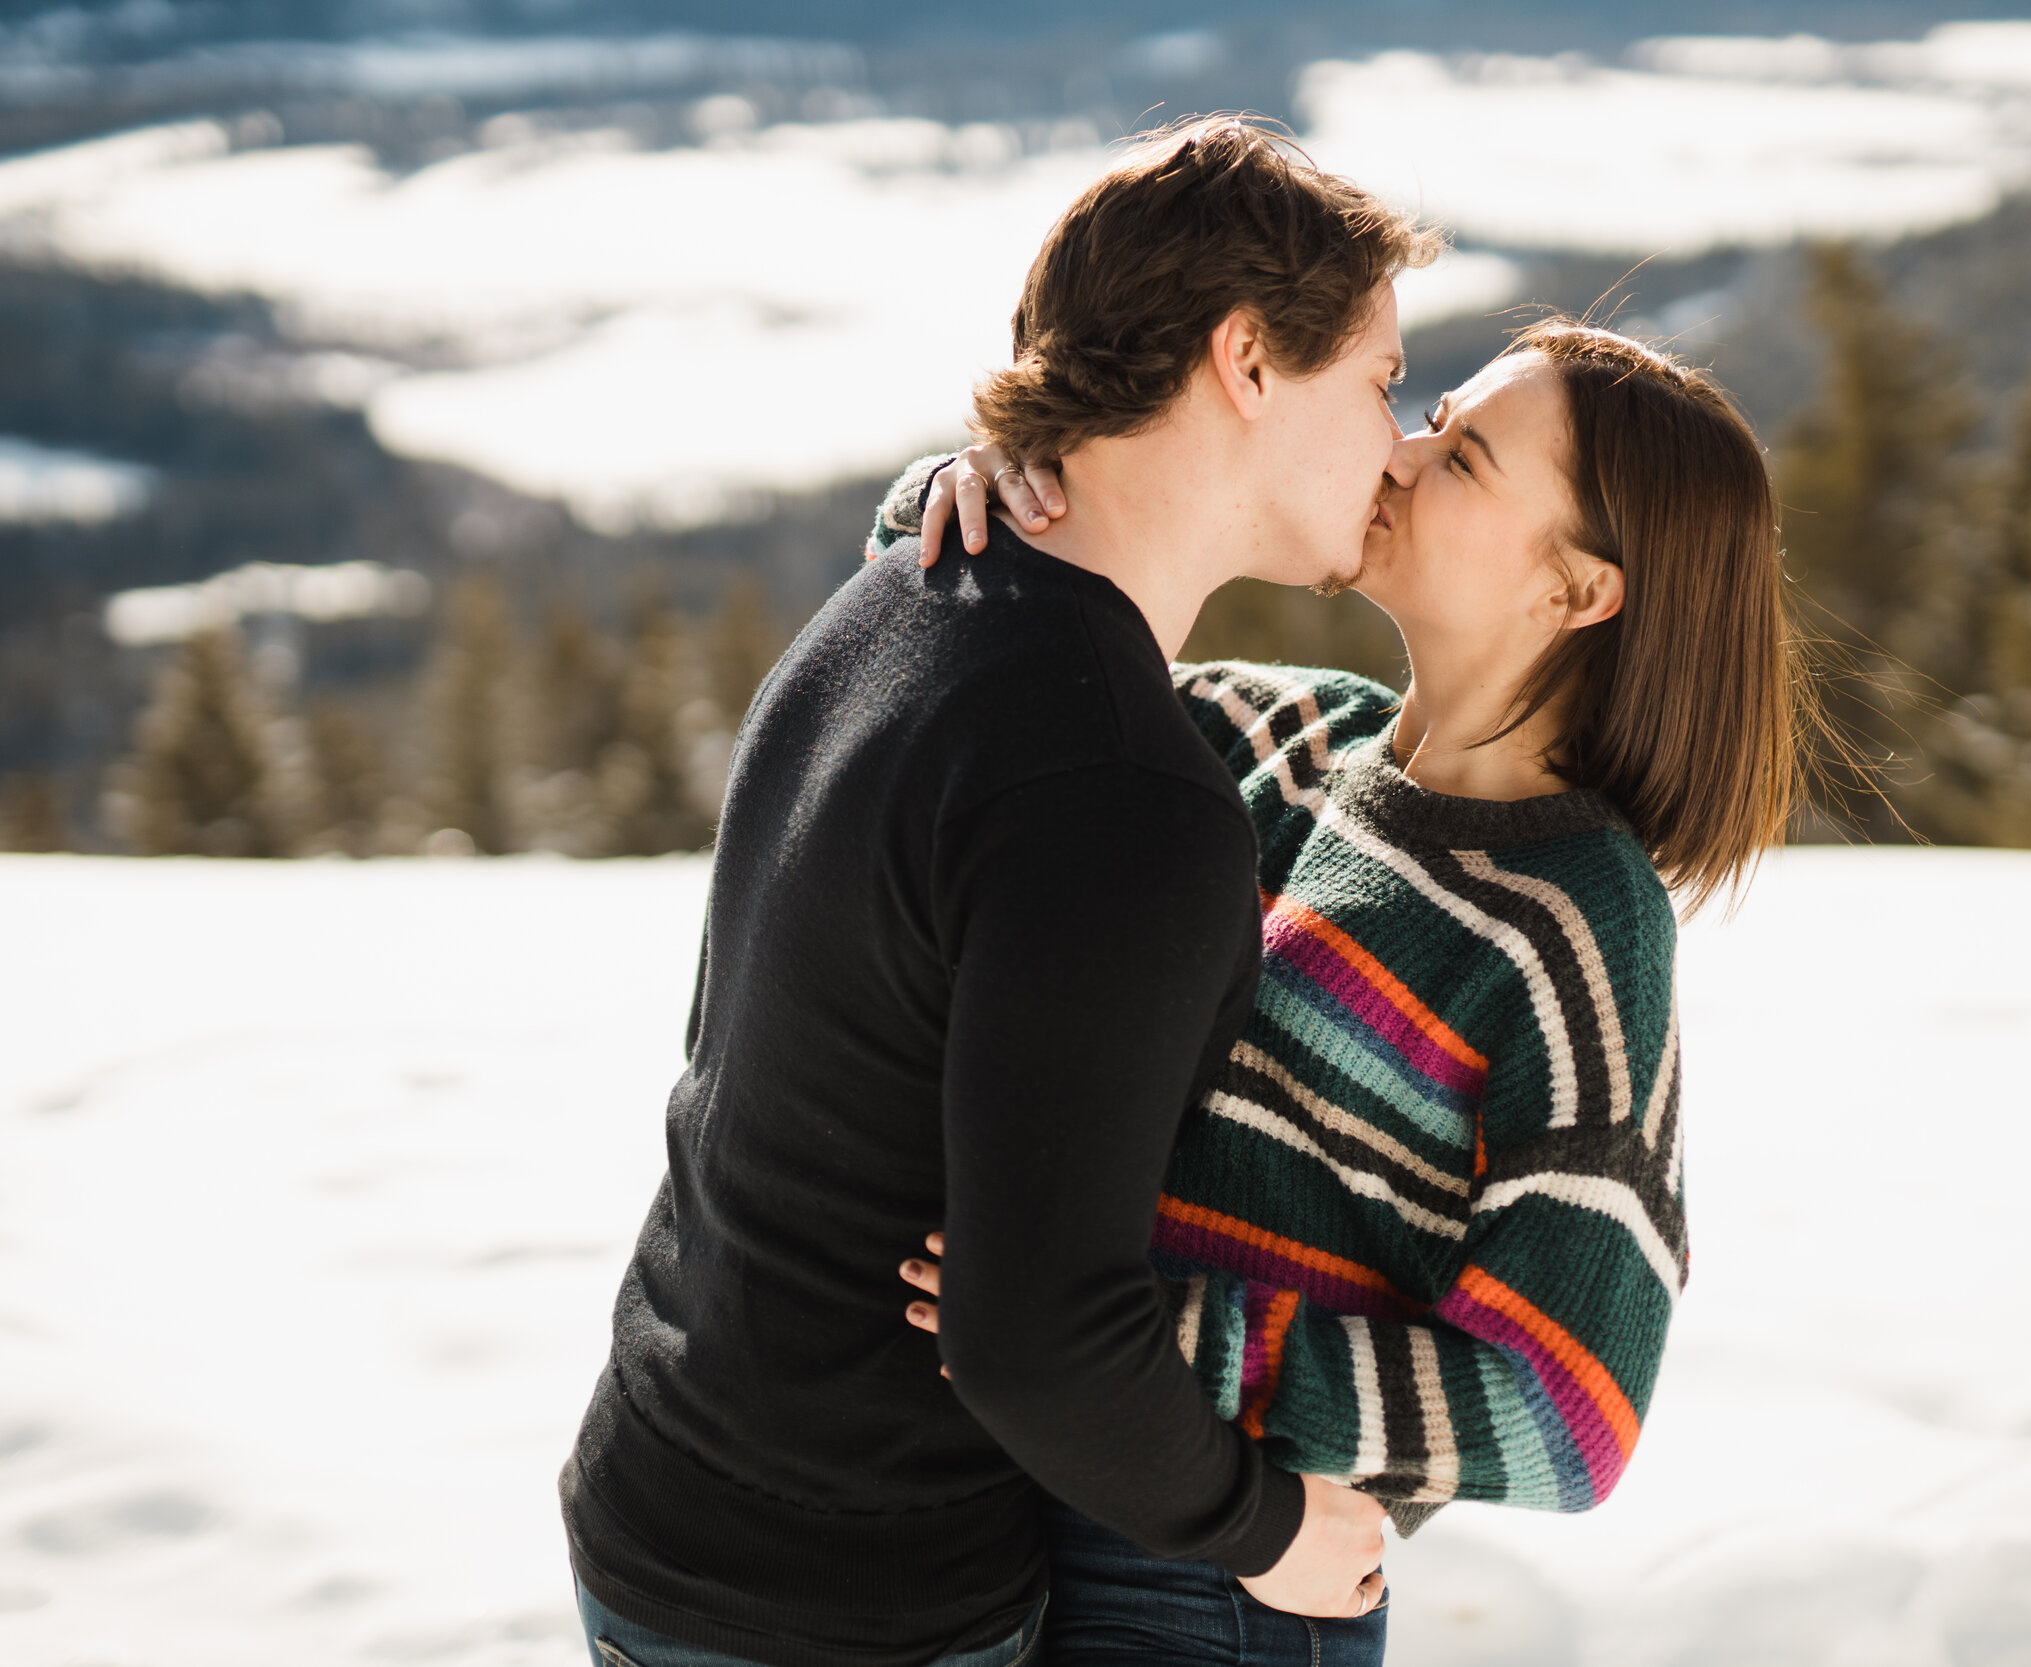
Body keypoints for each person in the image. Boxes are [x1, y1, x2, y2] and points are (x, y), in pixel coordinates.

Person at [560, 119, 1443, 1667]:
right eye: (1374, 377)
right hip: (847, 1595)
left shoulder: (908, 586)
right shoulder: (1120, 792)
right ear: (1247, 359)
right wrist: (1274, 1533)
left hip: (667, 1483)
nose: (1395, 439)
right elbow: (1034, 1338)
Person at [876, 317, 1805, 1664]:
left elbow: (1570, 1413)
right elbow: (1016, 676)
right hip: (1024, 1496)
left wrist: (1153, 1345)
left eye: (1467, 457)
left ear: (1579, 590)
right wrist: (968, 496)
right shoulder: (1294, 739)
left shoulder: (1577, 925)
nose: (1403, 451)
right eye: (1433, 418)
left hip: (1226, 1595)